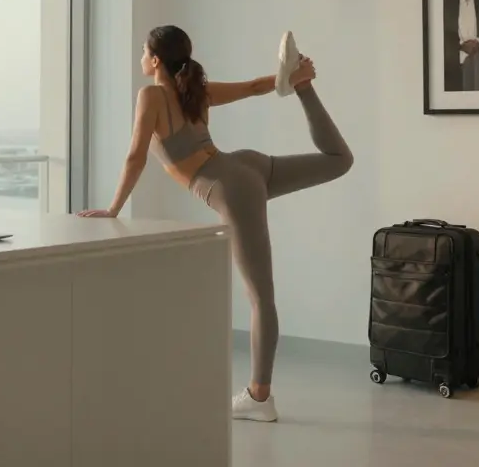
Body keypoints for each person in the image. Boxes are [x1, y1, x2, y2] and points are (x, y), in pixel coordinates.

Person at [78, 27, 352, 423]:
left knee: (261, 298)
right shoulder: (196, 90)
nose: (140, 56)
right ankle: (307, 89)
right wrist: (292, 81)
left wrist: (113, 208)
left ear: (155, 60)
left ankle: (260, 398)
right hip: (246, 165)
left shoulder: (152, 95)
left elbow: (134, 156)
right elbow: (259, 86)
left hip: (231, 185)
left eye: (143, 51)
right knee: (338, 160)